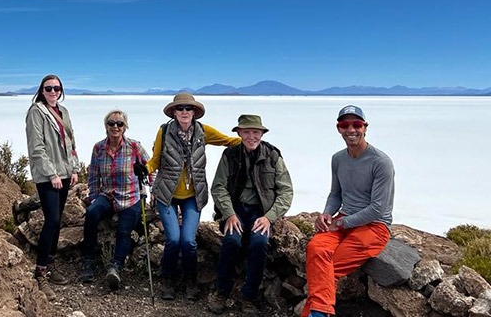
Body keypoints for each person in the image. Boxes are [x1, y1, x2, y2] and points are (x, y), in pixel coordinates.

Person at [146, 92, 241, 301]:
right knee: (173, 239)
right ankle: (167, 279)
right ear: (173, 112)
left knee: (188, 241)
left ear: (195, 112)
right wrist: (145, 168)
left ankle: (190, 280)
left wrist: (251, 140)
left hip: (193, 195)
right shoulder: (164, 131)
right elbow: (156, 159)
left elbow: (228, 141)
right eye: (180, 109)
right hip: (167, 194)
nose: (184, 112)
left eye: (188, 108)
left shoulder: (202, 131)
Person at [302, 105, 395, 317]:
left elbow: (377, 208)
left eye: (356, 124)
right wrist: (327, 214)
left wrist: (341, 223)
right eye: (345, 125)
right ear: (338, 129)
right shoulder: (338, 158)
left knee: (325, 268)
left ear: (365, 127)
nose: (351, 129)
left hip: (375, 226)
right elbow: (336, 193)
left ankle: (317, 314)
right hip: (344, 219)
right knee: (316, 248)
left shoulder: (381, 162)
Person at [207, 114, 294, 313]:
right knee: (231, 241)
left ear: (262, 134)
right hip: (236, 209)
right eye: (246, 132)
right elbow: (219, 187)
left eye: (255, 132)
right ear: (239, 133)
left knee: (259, 243)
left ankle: (249, 295)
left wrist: (269, 217)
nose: (251, 136)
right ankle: (222, 291)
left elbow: (286, 190)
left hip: (261, 212)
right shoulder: (230, 155)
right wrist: (228, 213)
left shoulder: (272, 156)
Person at [79, 109, 150, 290]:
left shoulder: (134, 147)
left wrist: (153, 190)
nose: (115, 127)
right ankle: (88, 260)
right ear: (106, 126)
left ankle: (116, 266)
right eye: (112, 123)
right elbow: (93, 175)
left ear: (125, 127)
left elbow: (150, 168)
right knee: (92, 214)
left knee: (124, 228)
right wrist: (94, 197)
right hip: (107, 194)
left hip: (130, 196)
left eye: (120, 124)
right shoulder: (98, 148)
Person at [25, 74, 80, 301]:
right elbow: (36, 147)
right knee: (52, 220)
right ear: (42, 90)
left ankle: (50, 263)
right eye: (49, 88)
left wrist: (74, 168)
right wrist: (52, 173)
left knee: (57, 221)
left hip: (65, 174)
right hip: (48, 176)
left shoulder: (63, 112)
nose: (53, 92)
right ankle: (40, 271)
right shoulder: (36, 112)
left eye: (57, 88)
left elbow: (71, 142)